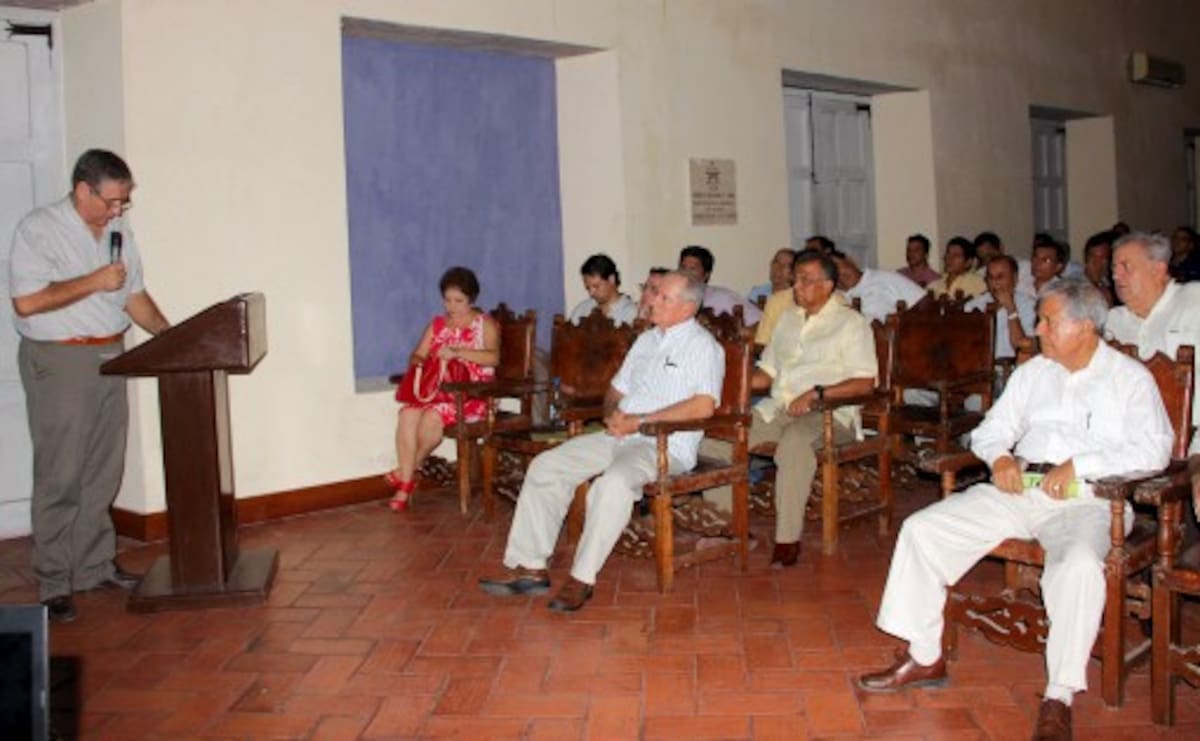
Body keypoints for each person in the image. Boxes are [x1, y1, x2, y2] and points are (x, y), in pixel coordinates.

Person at [859, 278, 1173, 740]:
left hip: (1088, 500)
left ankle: (1059, 695)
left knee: (1081, 566)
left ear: (1085, 326)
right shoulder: (1033, 372)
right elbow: (991, 430)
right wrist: (1001, 457)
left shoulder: (1129, 379)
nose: (1037, 328)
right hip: (1019, 490)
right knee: (923, 529)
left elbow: (1155, 449)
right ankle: (926, 654)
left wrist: (1081, 465)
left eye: (1048, 320)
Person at [478, 271, 723, 611]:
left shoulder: (702, 347)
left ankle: (582, 578)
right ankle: (531, 567)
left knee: (613, 484)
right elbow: (615, 391)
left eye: (663, 297)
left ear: (687, 307)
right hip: (619, 434)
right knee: (547, 465)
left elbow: (703, 405)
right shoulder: (647, 340)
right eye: (654, 294)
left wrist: (640, 421)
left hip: (662, 443)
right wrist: (611, 415)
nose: (651, 300)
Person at [9, 149, 171, 624]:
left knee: (103, 467)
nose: (118, 210)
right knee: (61, 472)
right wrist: (93, 281)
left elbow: (134, 295)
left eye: (124, 202)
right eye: (112, 201)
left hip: (110, 352)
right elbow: (27, 302)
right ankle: (55, 580)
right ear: (83, 190)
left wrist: (170, 336)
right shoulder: (38, 230)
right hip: (60, 359)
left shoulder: (120, 232)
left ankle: (95, 566)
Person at [714, 251, 876, 568]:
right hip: (780, 409)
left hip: (829, 414)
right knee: (719, 436)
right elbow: (767, 374)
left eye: (805, 279)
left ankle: (787, 540)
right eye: (796, 278)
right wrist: (730, 389)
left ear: (828, 285)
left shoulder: (851, 324)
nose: (796, 285)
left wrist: (817, 393)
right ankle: (731, 527)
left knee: (794, 444)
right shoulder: (788, 320)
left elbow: (865, 383)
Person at [386, 266, 499, 511]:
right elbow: (418, 354)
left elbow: (493, 358)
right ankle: (408, 476)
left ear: (471, 299)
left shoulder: (484, 324)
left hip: (471, 396)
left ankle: (404, 479)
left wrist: (458, 352)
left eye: (459, 300)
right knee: (407, 414)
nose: (452, 306)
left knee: (431, 420)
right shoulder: (437, 325)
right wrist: (420, 362)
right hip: (438, 390)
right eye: (447, 300)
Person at [1105, 232, 1200, 460]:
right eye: (1113, 267)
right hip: (1131, 442)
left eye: (1125, 266)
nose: (1116, 276)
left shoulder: (1194, 301)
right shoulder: (1114, 320)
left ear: (1158, 269)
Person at [964, 255, 1035, 360]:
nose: (995, 283)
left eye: (1000, 277)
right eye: (991, 277)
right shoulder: (973, 305)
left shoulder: (1029, 305)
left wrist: (1011, 309)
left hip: (1012, 368)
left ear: (1015, 279)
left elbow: (1022, 347)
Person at [833, 250, 926, 322]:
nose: (839, 275)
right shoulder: (834, 299)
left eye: (837, 266)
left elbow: (926, 303)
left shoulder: (885, 278)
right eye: (831, 272)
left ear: (849, 260)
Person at [678, 245, 762, 324]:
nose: (685, 273)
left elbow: (760, 322)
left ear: (706, 275)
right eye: (682, 267)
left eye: (692, 269)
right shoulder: (671, 298)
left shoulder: (723, 297)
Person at [567, 253, 638, 325]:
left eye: (596, 286)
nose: (591, 293)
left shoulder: (631, 313)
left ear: (611, 279)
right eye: (588, 288)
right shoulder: (582, 310)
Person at [1082, 231, 1115, 306]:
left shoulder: (1112, 282)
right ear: (1086, 258)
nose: (1098, 263)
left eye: (1103, 258)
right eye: (1093, 258)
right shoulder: (1077, 285)